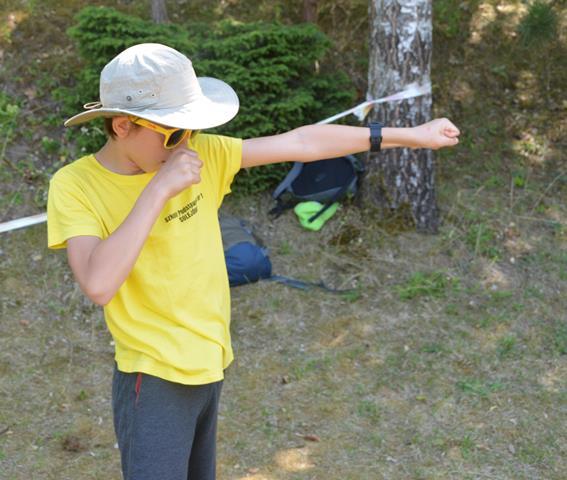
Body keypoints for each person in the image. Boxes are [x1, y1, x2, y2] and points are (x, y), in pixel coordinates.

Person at [47, 43, 460, 480]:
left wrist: (412, 136)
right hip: (152, 377)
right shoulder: (76, 186)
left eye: (192, 129)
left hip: (209, 362)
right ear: (122, 125)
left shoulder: (199, 153)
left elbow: (302, 142)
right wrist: (158, 189)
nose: (187, 143)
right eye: (174, 132)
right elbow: (98, 283)